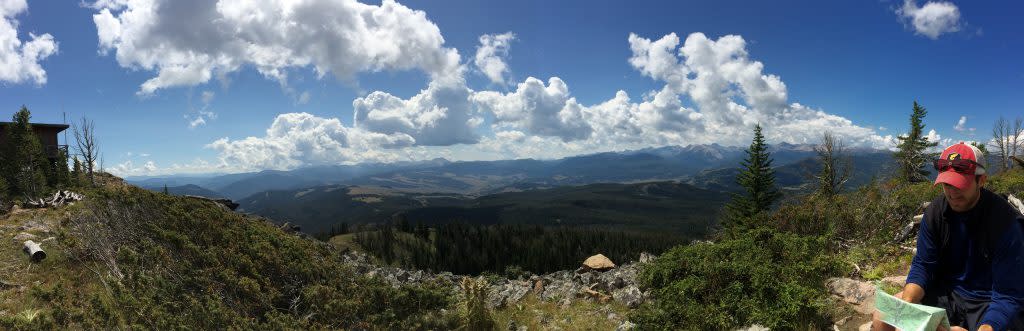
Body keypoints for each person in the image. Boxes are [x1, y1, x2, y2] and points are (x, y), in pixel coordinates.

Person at [873, 142, 1024, 331]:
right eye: (946, 184)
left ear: (982, 180)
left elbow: (1008, 296)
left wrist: (986, 328)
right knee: (883, 317)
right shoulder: (936, 212)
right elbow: (923, 265)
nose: (951, 193)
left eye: (960, 184)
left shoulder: (1005, 223)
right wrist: (908, 302)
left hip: (987, 303)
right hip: (948, 293)